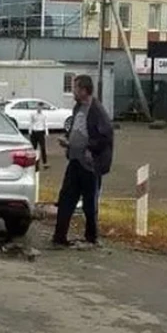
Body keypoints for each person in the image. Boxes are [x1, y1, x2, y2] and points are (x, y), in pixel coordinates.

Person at [53, 74, 114, 248]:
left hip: (90, 164)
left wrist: (88, 147)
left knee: (89, 202)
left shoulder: (97, 111)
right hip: (75, 159)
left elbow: (105, 136)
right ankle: (59, 237)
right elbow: (77, 129)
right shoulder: (77, 108)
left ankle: (91, 237)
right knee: (66, 199)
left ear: (84, 90)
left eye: (75, 88)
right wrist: (69, 142)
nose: (73, 91)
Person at [29, 105, 49, 169]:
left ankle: (45, 162)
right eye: (38, 107)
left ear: (41, 108)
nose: (39, 109)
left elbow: (45, 124)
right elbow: (31, 123)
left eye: (40, 107)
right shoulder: (33, 115)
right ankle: (34, 162)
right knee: (34, 148)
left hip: (41, 132)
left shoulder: (43, 116)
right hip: (34, 132)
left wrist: (46, 132)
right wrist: (30, 131)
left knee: (43, 147)